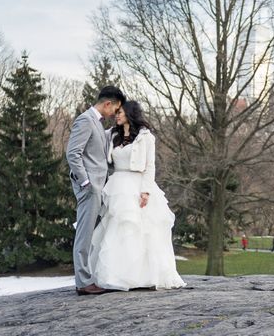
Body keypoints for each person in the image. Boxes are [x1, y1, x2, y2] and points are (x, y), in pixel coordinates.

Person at [88, 101, 185, 291]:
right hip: (117, 186)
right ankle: (117, 276)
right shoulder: (111, 135)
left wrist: (146, 191)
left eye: (121, 112)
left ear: (130, 114)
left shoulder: (146, 137)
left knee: (143, 232)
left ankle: (143, 277)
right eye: (116, 112)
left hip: (138, 185)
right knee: (117, 230)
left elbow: (150, 166)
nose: (117, 115)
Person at [66, 86, 126, 296]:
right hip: (90, 188)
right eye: (115, 109)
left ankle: (88, 277)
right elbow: (73, 154)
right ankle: (83, 282)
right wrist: (85, 183)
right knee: (84, 234)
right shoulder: (85, 120)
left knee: (92, 234)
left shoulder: (98, 123)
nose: (115, 113)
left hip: (99, 186)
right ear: (107, 104)